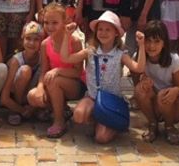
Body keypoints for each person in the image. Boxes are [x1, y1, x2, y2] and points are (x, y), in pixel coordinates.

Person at [62, 11, 145, 144]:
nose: (103, 33)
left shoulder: (120, 54)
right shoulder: (90, 51)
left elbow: (138, 68)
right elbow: (66, 58)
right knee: (78, 115)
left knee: (101, 138)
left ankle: (110, 124)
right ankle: (97, 120)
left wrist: (141, 46)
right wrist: (67, 36)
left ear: (116, 33)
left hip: (111, 100)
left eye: (108, 30)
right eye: (100, 29)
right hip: (92, 97)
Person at [27, 4, 86, 139]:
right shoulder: (45, 44)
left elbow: (77, 72)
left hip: (75, 85)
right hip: (54, 82)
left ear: (64, 22)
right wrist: (40, 88)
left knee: (54, 80)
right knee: (32, 96)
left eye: (54, 23)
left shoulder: (74, 41)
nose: (50, 27)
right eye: (46, 23)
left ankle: (59, 121)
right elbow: (44, 71)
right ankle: (61, 109)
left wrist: (58, 70)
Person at [134, 21, 179, 144]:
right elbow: (136, 82)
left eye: (157, 41)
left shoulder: (174, 60)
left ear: (164, 43)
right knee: (140, 89)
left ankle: (169, 127)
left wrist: (175, 91)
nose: (151, 46)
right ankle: (153, 124)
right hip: (152, 104)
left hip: (172, 106)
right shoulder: (139, 57)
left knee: (163, 95)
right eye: (148, 41)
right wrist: (143, 82)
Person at [0, 21, 43, 125]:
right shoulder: (16, 60)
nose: (31, 43)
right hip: (16, 95)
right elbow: (4, 98)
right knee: (25, 70)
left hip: (31, 95)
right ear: (22, 39)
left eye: (36, 39)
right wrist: (21, 110)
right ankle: (16, 109)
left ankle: (35, 108)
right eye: (28, 38)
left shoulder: (42, 58)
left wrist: (32, 108)